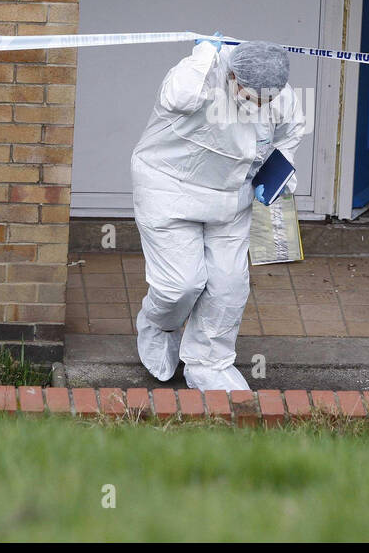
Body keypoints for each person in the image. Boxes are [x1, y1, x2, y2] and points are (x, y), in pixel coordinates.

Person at [130, 34, 306, 392]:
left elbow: (291, 133)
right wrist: (204, 53)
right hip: (170, 191)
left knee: (228, 285)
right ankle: (158, 324)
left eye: (264, 100)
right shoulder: (200, 77)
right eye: (248, 95)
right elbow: (177, 98)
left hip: (232, 198)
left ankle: (209, 363)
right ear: (233, 77)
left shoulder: (279, 95)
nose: (255, 105)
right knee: (180, 286)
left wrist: (280, 172)